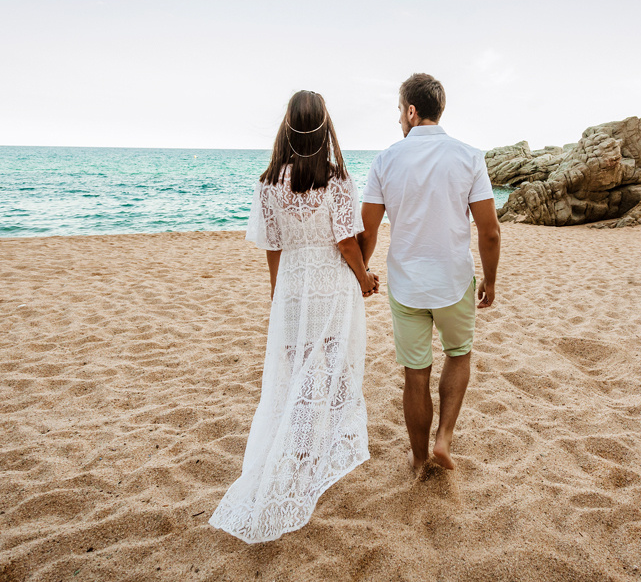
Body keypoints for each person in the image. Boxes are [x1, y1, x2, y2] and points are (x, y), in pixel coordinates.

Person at [209, 90, 379, 543]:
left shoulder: (268, 183)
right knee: (331, 365)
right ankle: (317, 448)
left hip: (293, 286)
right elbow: (347, 243)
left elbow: (273, 247)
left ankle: (299, 449)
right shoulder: (337, 178)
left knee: (298, 365)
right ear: (325, 128)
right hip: (331, 283)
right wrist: (364, 278)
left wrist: (277, 295)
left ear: (287, 125)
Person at [358, 73, 501, 474]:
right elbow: (489, 231)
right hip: (455, 280)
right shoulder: (469, 156)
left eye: (399, 113)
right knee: (458, 354)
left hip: (406, 286)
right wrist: (490, 280)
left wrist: (362, 271)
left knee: (415, 374)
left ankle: (419, 459)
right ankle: (443, 439)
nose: (398, 121)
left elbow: (367, 230)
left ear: (411, 110)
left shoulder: (386, 160)